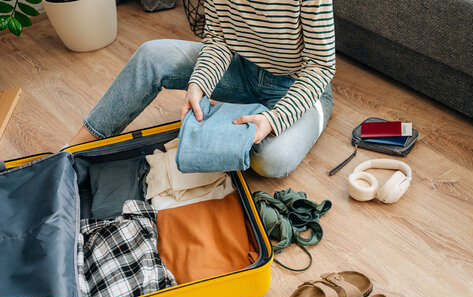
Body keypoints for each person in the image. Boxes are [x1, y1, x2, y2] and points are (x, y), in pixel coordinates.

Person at [68, 0, 335, 178]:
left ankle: (272, 118)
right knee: (152, 55)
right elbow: (219, 39)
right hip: (243, 69)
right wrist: (199, 83)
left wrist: (274, 119)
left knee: (272, 160)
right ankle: (73, 151)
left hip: (298, 85)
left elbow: (321, 66)